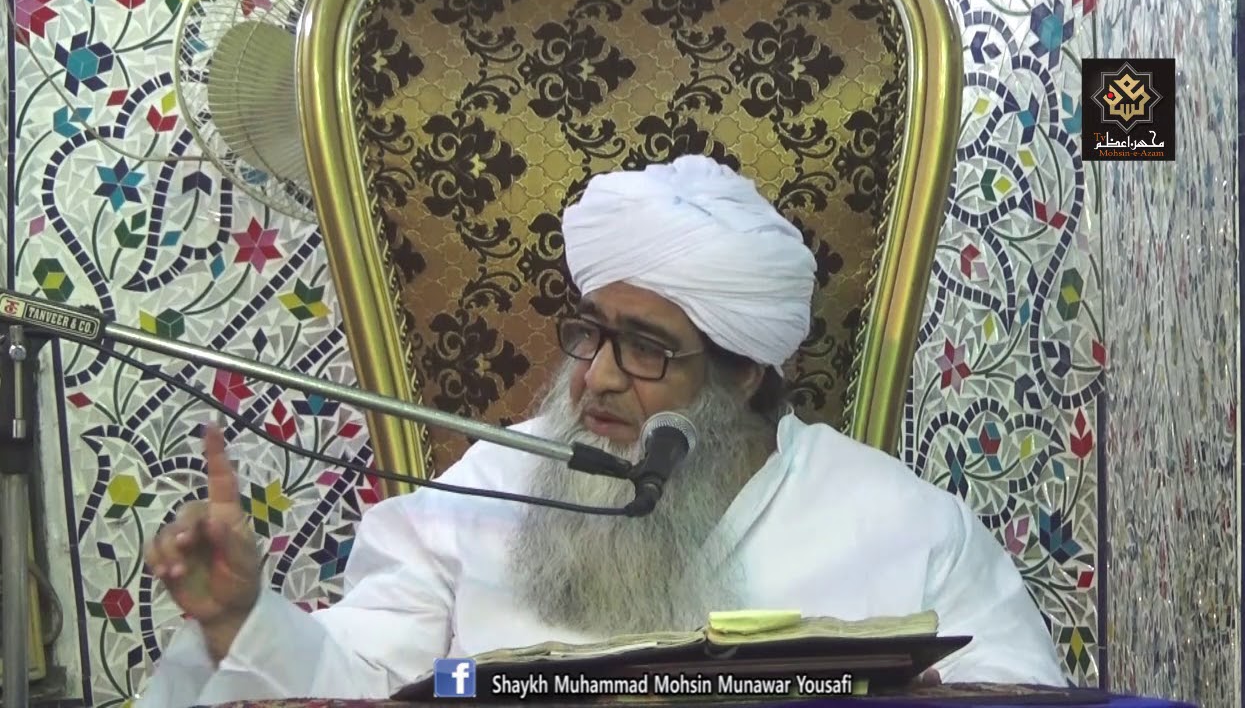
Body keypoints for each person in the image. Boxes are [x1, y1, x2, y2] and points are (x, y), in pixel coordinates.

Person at [137, 156, 1067, 706]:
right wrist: (239, 622)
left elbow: (1016, 691)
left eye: (648, 348)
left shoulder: (907, 528)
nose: (599, 376)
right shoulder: (484, 493)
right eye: (591, 333)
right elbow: (355, 677)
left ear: (745, 372)